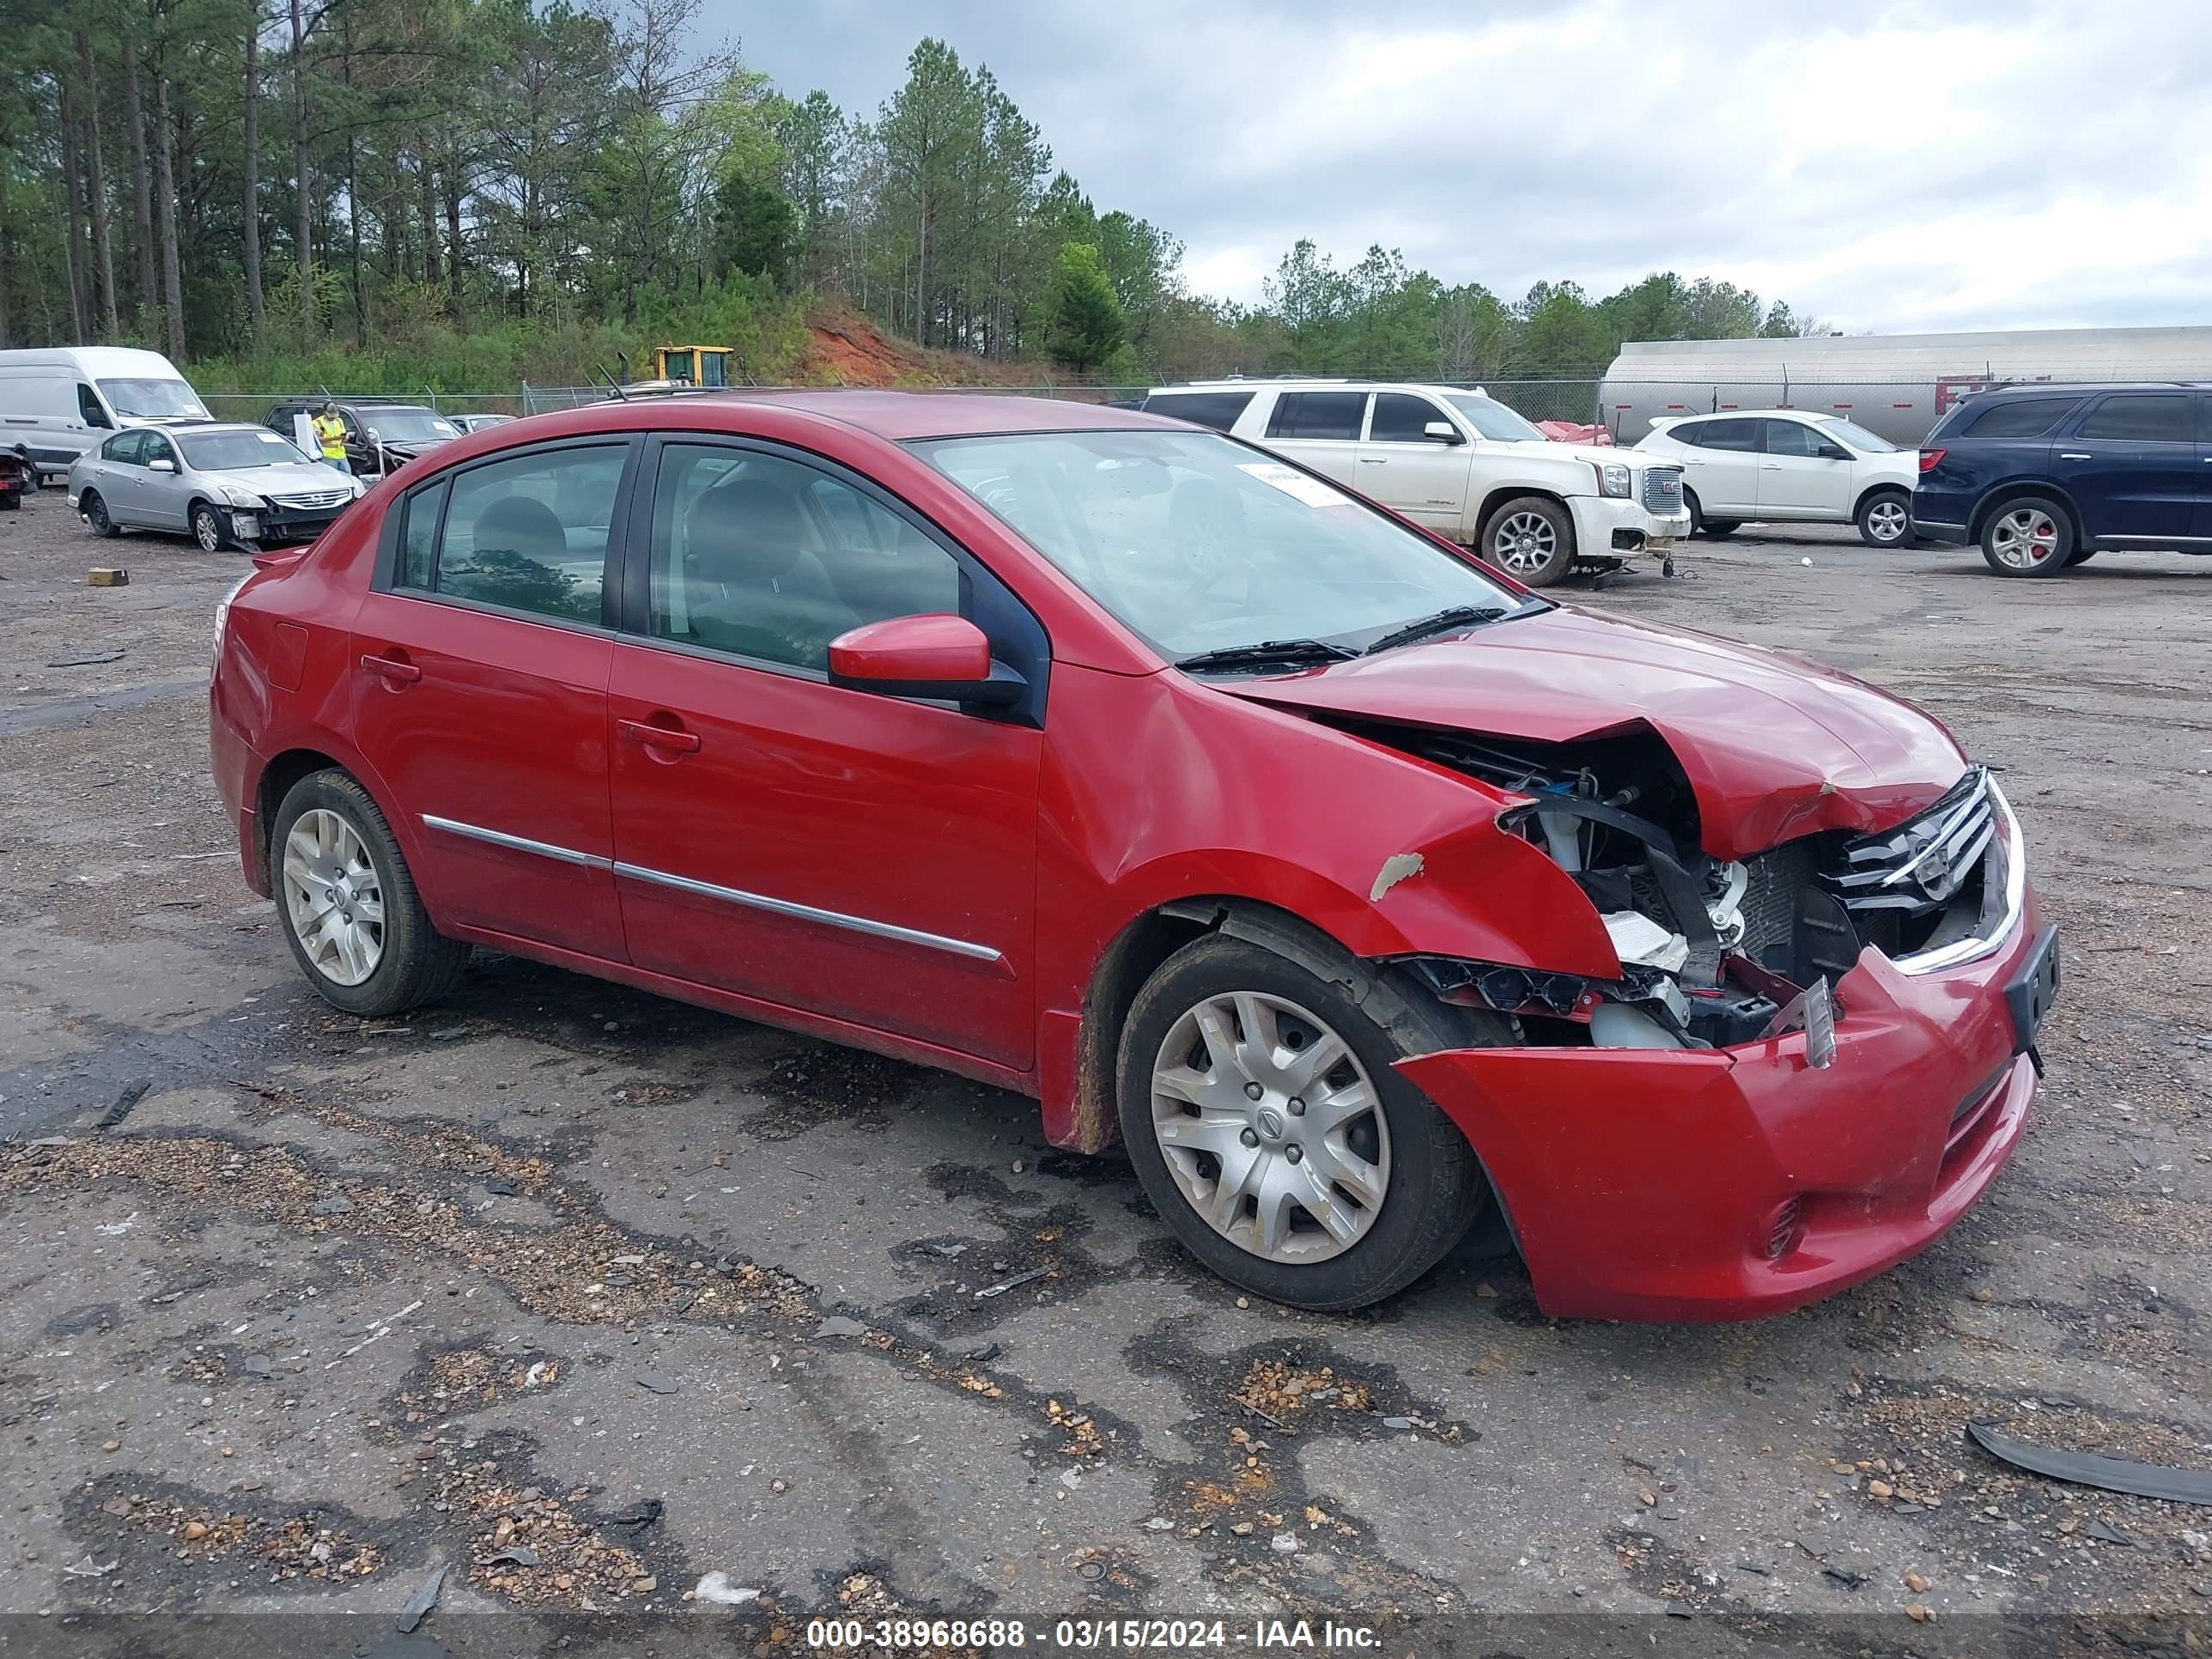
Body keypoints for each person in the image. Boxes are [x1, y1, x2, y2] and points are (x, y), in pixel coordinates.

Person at [313, 403, 350, 474]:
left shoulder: (339, 421)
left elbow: (343, 434)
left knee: (348, 477)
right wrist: (335, 438)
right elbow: (319, 440)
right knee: (331, 478)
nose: (333, 417)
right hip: (327, 456)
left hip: (341, 454)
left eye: (334, 415)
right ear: (325, 413)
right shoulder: (319, 423)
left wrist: (345, 437)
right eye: (331, 416)